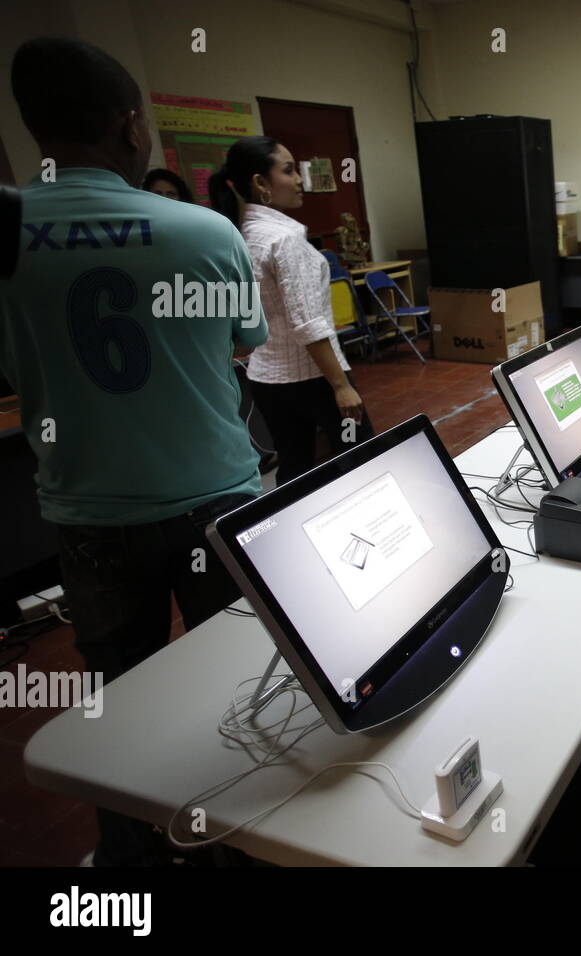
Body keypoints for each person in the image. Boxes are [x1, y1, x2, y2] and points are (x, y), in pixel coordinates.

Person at [1, 37, 269, 865]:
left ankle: (130, 858)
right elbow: (241, 347)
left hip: (91, 515)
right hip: (214, 501)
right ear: (130, 128)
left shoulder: (8, 232)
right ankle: (249, 833)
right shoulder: (202, 231)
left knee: (118, 701)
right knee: (243, 684)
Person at [209, 136, 373, 485]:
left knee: (295, 467)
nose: (300, 179)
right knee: (366, 459)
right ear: (260, 183)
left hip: (267, 378)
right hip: (314, 377)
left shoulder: (244, 234)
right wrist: (341, 386)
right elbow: (308, 323)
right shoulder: (281, 239)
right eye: (288, 171)